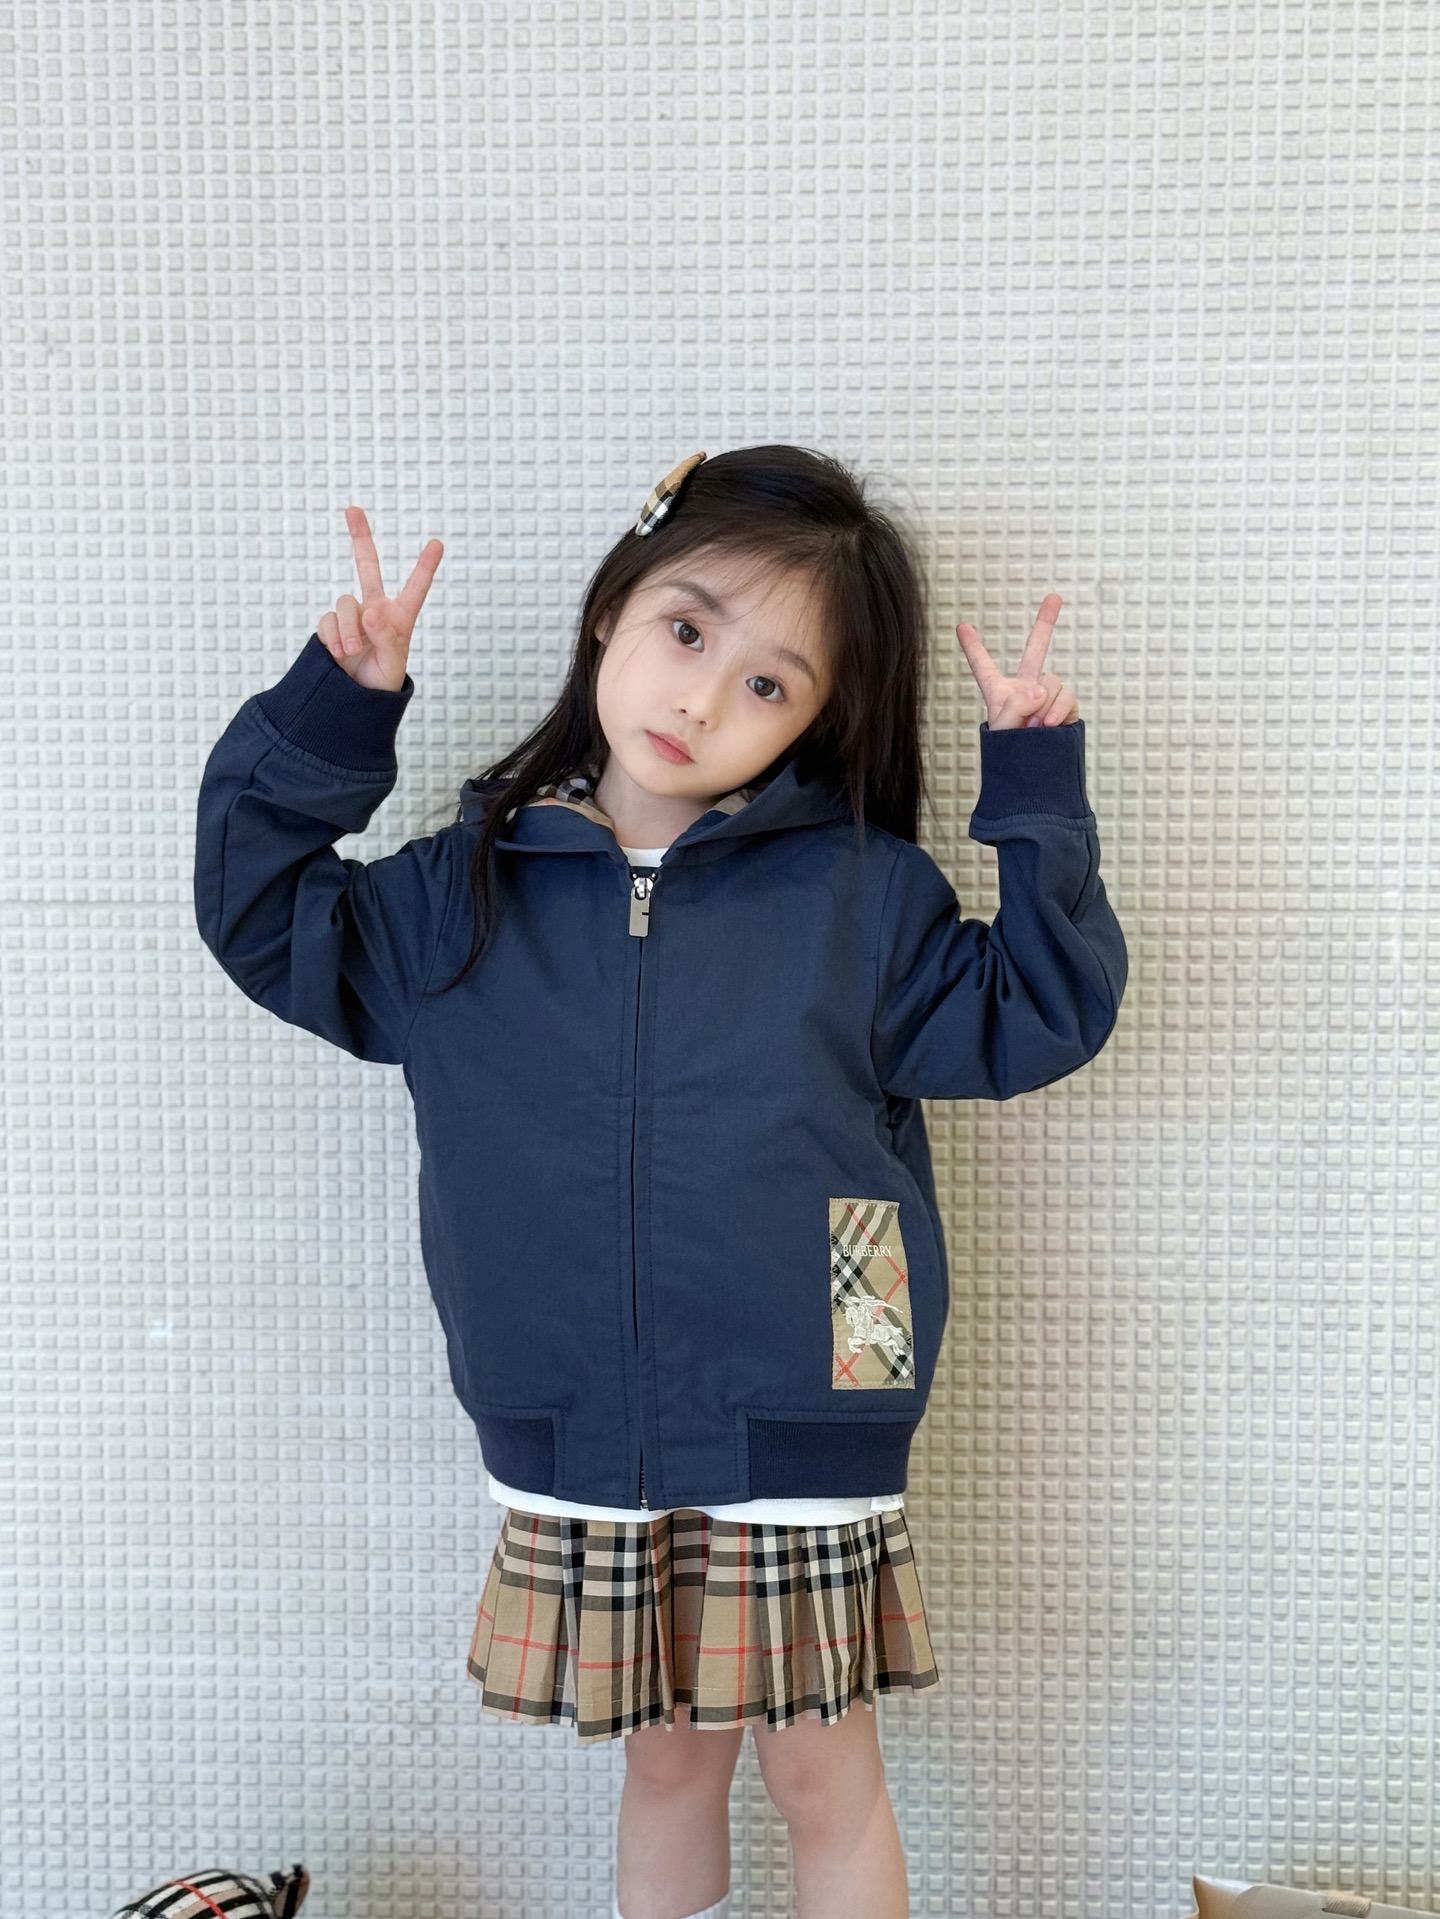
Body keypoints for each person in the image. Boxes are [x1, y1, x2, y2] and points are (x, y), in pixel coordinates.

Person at [194, 444, 1128, 1919]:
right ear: (610, 614)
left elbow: (1041, 1010)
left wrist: (1035, 790)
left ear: (818, 721)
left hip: (810, 1406)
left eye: (767, 683)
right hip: (578, 1417)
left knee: (826, 1779)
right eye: (688, 631)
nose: (700, 700)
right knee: (670, 1767)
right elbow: (259, 914)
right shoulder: (459, 892)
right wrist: (337, 708)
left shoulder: (864, 897)